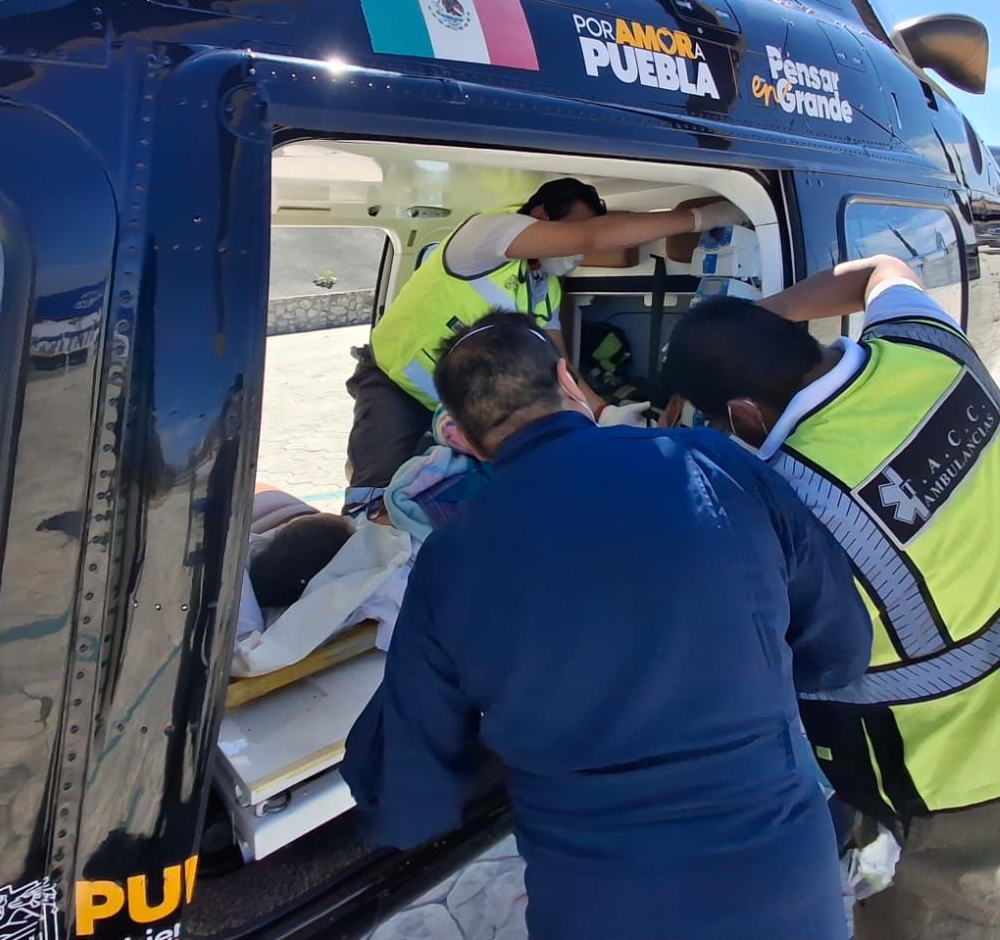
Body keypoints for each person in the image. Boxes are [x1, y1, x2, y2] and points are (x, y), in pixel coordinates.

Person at [341, 311, 870, 940]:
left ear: (463, 437)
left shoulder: (451, 558)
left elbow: (407, 799)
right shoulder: (714, 462)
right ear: (567, 380)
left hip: (599, 905)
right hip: (784, 886)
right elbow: (840, 649)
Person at [660, 255, 1000, 940]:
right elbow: (882, 269)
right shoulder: (930, 347)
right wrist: (752, 326)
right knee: (997, 886)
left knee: (943, 919)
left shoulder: (795, 501)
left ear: (742, 412)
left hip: (947, 774)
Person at [343, 179, 745, 515]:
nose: (577, 249)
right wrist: (704, 217)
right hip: (395, 384)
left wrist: (602, 411)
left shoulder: (545, 289)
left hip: (464, 408)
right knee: (375, 502)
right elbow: (593, 234)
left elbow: (557, 362)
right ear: (539, 218)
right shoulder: (483, 236)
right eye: (569, 234)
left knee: (449, 503)